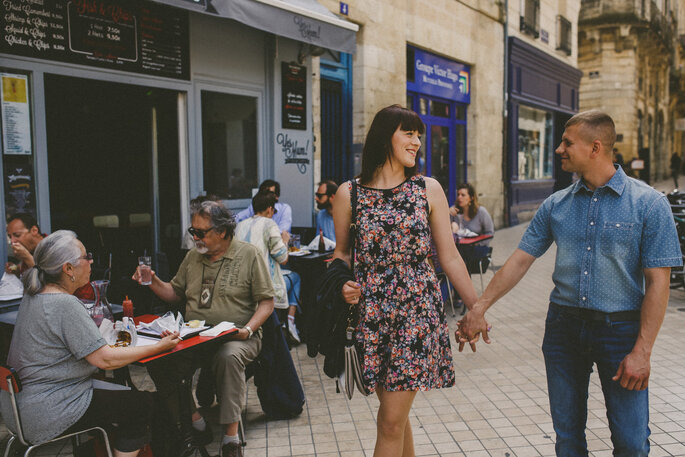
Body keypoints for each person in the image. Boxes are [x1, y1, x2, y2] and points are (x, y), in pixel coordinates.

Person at [458, 111, 682, 456]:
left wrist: (643, 351)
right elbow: (519, 260)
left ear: (595, 148)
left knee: (631, 442)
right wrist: (479, 307)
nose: (559, 149)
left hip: (621, 332)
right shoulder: (556, 205)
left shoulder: (649, 204)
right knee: (568, 439)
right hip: (563, 329)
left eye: (567, 142)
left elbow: (658, 284)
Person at [333, 104, 479, 456]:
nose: (417, 142)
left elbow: (450, 256)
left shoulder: (427, 189)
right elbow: (340, 255)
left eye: (419, 135)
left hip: (416, 313)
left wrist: (477, 307)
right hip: (371, 315)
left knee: (389, 422)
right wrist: (342, 284)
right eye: (408, 133)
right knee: (394, 418)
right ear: (385, 137)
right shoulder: (348, 194)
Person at [0, 231, 180, 457]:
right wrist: (160, 346)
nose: (92, 261)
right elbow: (104, 360)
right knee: (141, 404)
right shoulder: (64, 303)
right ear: (68, 269)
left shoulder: (34, 294)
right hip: (49, 409)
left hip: (20, 408)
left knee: (132, 399)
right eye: (87, 257)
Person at [133, 200, 274, 457]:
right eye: (193, 231)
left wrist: (249, 329)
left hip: (238, 335)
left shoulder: (248, 254)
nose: (195, 237)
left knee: (228, 357)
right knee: (158, 359)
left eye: (201, 232)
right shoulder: (192, 257)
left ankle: (230, 439)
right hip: (196, 336)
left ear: (222, 231)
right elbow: (174, 293)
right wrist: (152, 280)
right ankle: (196, 422)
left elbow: (267, 301)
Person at [235, 191, 302, 343]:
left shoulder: (240, 226)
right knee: (296, 277)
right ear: (270, 209)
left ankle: (288, 322)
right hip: (265, 287)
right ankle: (290, 320)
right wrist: (285, 240)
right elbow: (283, 258)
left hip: (243, 286)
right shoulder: (270, 224)